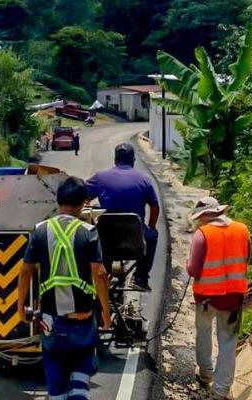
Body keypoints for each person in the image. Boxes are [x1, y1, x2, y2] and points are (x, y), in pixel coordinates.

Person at [18, 177, 111, 400]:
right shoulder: (88, 231)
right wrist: (106, 312)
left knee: (54, 367)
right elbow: (99, 274)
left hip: (51, 320)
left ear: (58, 200)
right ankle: (78, 392)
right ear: (84, 202)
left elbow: (25, 270)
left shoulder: (40, 230)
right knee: (82, 364)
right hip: (82, 317)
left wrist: (20, 305)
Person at [186, 196, 251, 400]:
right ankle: (221, 390)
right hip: (233, 297)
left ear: (205, 215)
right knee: (228, 341)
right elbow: (247, 257)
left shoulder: (202, 234)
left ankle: (205, 373)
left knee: (204, 332)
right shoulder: (242, 230)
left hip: (206, 297)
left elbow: (193, 269)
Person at [86, 143, 160, 291]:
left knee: (97, 241)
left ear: (115, 160)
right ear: (133, 160)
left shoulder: (100, 177)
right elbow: (154, 206)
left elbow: (81, 197)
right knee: (152, 236)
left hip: (106, 237)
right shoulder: (144, 179)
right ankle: (140, 277)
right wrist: (151, 226)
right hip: (135, 238)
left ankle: (102, 274)